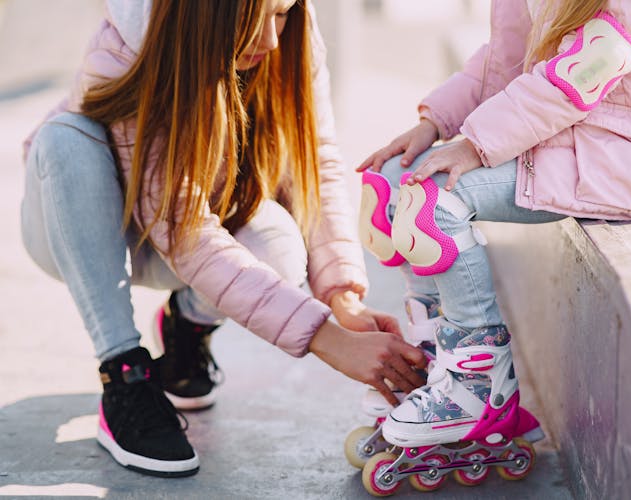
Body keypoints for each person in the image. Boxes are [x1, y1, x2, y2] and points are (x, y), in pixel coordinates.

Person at [20, 0, 426, 477]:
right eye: (260, 15)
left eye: (283, 13)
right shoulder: (131, 41)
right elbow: (183, 229)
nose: (274, 38)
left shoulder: (293, 34)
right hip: (85, 233)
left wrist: (342, 298)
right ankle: (124, 372)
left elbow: (315, 164)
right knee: (64, 137)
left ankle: (187, 328)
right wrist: (324, 338)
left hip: (187, 232)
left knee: (279, 246)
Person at [357, 0, 631, 463]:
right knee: (402, 185)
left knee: (435, 203)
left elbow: (587, 68)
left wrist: (475, 144)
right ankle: (439, 361)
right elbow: (508, 59)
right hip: (585, 134)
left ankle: (477, 386)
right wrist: (434, 123)